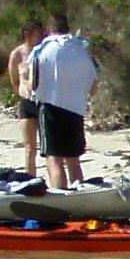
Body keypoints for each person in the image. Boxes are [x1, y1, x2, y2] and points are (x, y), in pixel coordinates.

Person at [30, 24, 101, 186]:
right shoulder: (82, 48)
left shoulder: (43, 49)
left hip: (50, 106)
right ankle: (78, 192)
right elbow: (94, 87)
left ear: (49, 29)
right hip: (76, 108)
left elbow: (33, 83)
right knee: (73, 159)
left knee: (53, 158)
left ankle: (60, 194)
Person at [6, 24, 48, 178]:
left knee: (49, 147)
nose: (41, 37)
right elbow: (15, 81)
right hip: (27, 102)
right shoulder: (17, 54)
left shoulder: (45, 51)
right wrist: (23, 91)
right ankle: (31, 179)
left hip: (44, 100)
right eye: (38, 34)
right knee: (30, 147)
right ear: (27, 34)